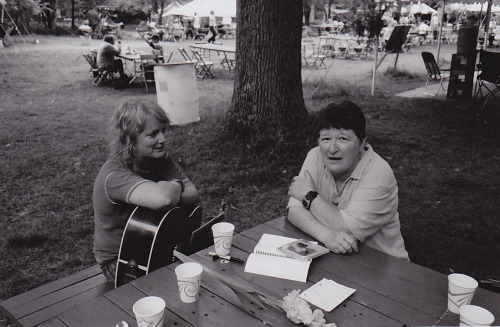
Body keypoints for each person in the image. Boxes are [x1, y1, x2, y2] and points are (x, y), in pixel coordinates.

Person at [93, 100, 201, 282]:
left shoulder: (159, 158)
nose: (163, 139)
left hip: (154, 244)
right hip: (121, 261)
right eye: (152, 135)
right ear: (130, 139)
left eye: (163, 131)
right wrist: (176, 185)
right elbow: (163, 199)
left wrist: (173, 188)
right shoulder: (114, 175)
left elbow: (193, 195)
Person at [287, 101, 409, 260]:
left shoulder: (379, 173)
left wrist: (309, 196)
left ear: (362, 143)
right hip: (335, 257)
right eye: (325, 139)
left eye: (343, 139)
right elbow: (294, 211)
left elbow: (347, 230)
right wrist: (327, 236)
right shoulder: (316, 155)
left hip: (383, 267)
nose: (332, 148)